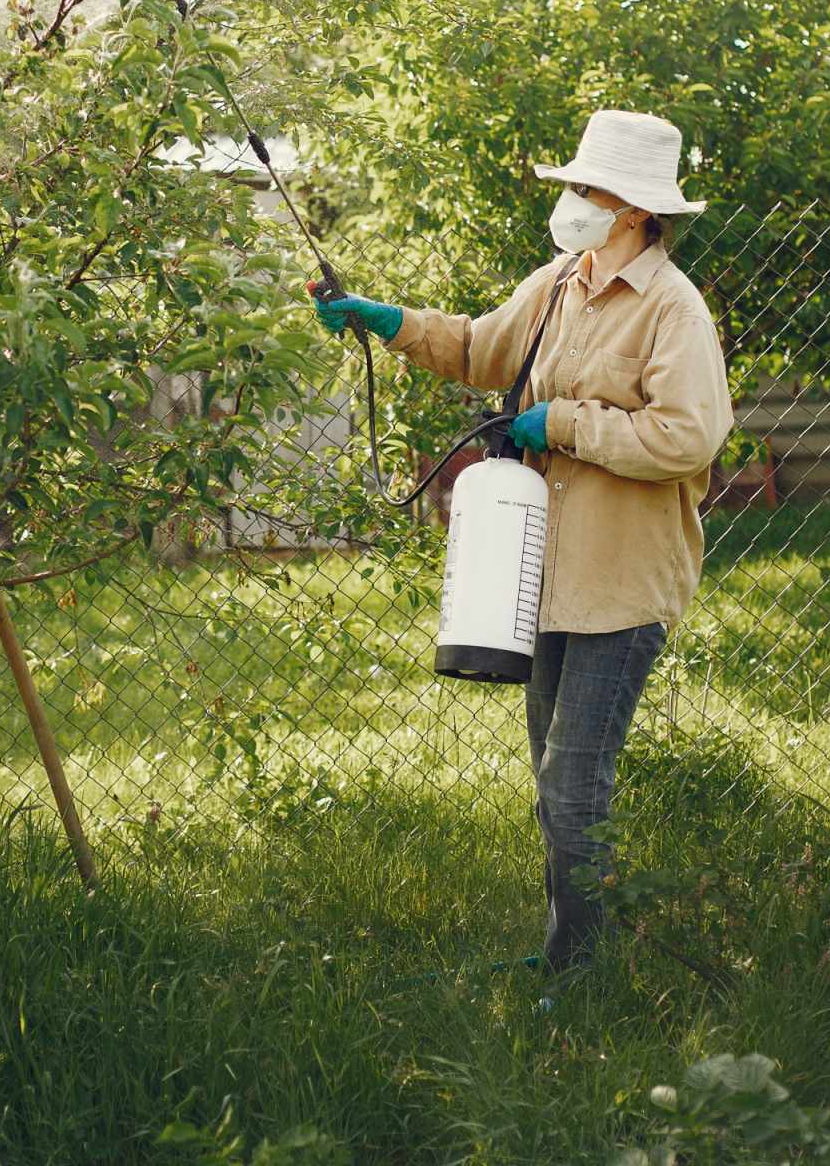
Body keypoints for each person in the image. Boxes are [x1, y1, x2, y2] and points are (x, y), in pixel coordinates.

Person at [313, 109, 732, 972]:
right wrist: (383, 320)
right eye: (574, 185)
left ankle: (581, 975)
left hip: (622, 584)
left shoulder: (672, 312)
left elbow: (690, 438)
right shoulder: (557, 283)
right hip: (544, 575)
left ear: (634, 211)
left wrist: (567, 422)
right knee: (554, 781)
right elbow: (475, 347)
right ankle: (568, 955)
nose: (573, 199)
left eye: (588, 188)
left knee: (574, 785)